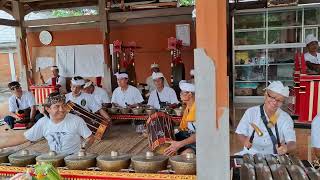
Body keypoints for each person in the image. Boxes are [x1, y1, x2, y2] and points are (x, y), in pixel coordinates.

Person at [0, 92, 95, 155]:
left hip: (74, 159)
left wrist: (83, 148)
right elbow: (23, 137)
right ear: (48, 109)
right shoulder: (43, 123)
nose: (62, 110)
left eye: (63, 106)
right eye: (57, 107)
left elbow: (90, 137)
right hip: (54, 158)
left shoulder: (76, 120)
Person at [235, 81, 296, 155]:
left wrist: (286, 148)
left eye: (280, 100)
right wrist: (245, 141)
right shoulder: (251, 112)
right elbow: (240, 132)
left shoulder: (285, 118)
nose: (275, 102)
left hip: (274, 156)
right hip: (251, 153)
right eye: (273, 97)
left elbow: (292, 143)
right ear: (266, 94)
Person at [164, 80, 196, 156]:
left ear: (190, 94)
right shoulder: (188, 107)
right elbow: (183, 128)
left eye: (182, 92)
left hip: (201, 142)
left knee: (185, 155)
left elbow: (201, 135)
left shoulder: (198, 109)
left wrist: (179, 144)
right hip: (190, 136)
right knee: (165, 143)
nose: (180, 94)